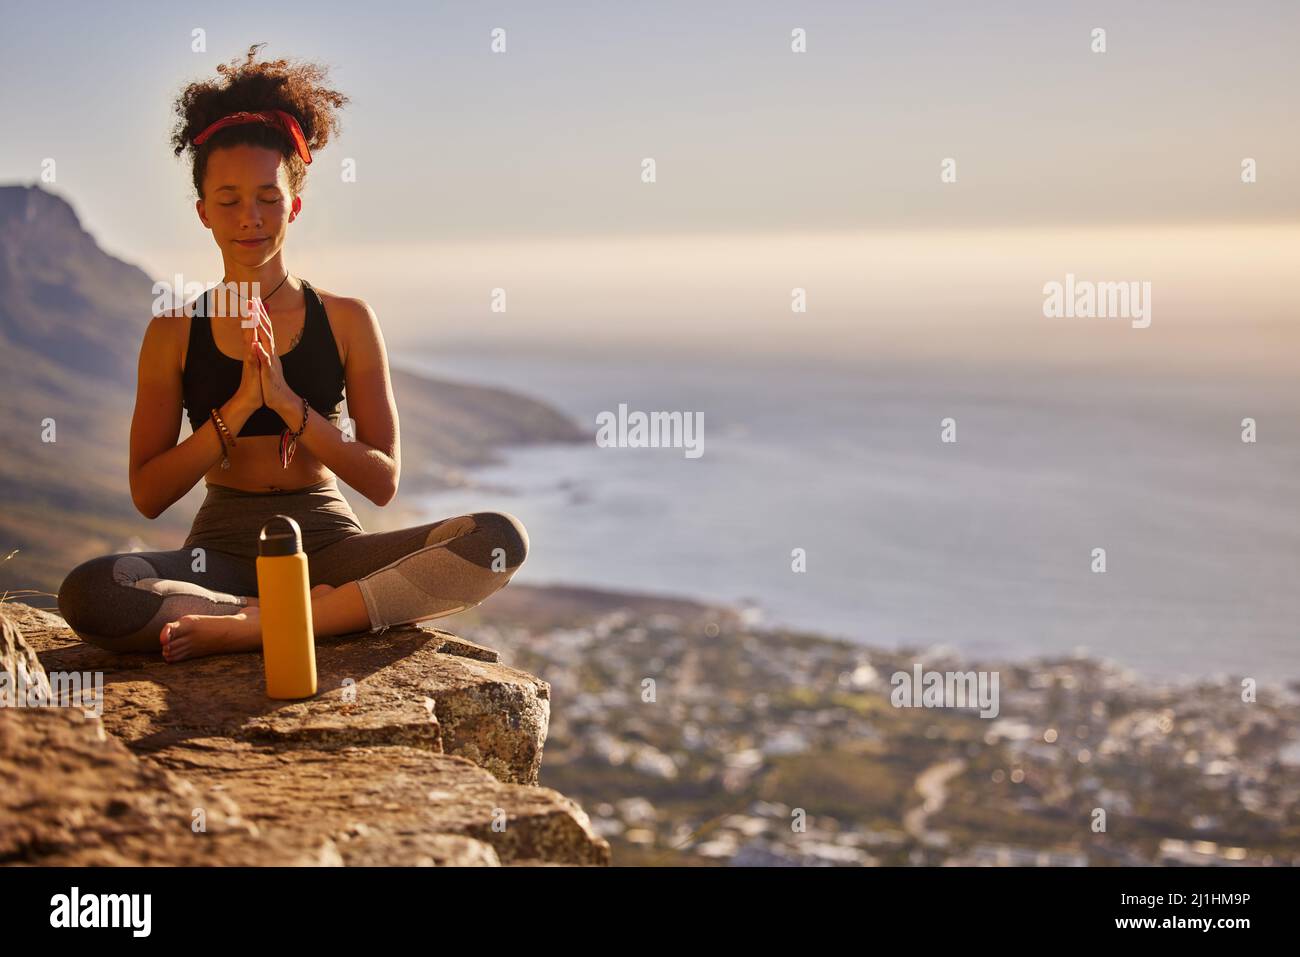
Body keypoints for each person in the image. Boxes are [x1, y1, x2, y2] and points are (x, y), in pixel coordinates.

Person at [56, 44, 528, 663]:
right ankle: (311, 617)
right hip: (217, 555)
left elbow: (381, 481)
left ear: (294, 205)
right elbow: (148, 493)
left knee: (496, 540)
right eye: (228, 200)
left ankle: (258, 626)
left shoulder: (348, 320)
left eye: (268, 197)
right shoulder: (173, 332)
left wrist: (288, 406)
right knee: (92, 591)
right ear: (202, 212)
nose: (249, 217)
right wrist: (236, 412)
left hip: (329, 547)